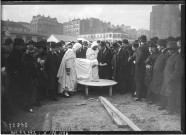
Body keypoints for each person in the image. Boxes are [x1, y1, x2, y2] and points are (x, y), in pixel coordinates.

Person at [161, 41, 184, 114]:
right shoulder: (171, 56)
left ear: (174, 49)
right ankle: (170, 108)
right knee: (168, 94)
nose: (168, 51)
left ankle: (170, 110)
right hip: (168, 79)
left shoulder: (178, 57)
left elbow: (178, 71)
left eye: (169, 49)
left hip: (172, 80)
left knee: (171, 94)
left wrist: (171, 78)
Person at [146, 39, 169, 106]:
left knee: (159, 88)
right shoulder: (162, 52)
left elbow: (166, 65)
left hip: (160, 74)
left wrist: (162, 73)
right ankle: (155, 100)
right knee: (155, 87)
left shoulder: (166, 53)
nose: (157, 47)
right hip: (156, 73)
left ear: (162, 46)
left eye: (158, 46)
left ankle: (160, 102)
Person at [6, 38, 25, 111]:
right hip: (14, 76)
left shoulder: (19, 52)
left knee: (19, 91)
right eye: (20, 46)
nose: (21, 47)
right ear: (16, 45)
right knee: (14, 92)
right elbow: (10, 66)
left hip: (19, 75)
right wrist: (15, 71)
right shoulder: (12, 53)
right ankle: (14, 108)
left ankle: (18, 106)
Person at [134, 35, 150, 101]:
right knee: (144, 81)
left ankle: (138, 96)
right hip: (145, 65)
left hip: (140, 66)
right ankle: (144, 95)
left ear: (140, 40)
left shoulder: (140, 47)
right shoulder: (148, 46)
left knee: (139, 81)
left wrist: (135, 62)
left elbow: (139, 56)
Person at [22, 45, 37, 112]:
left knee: (30, 92)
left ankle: (29, 105)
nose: (34, 54)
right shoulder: (26, 57)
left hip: (31, 76)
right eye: (32, 53)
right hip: (27, 77)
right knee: (27, 92)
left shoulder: (30, 57)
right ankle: (27, 106)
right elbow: (26, 68)